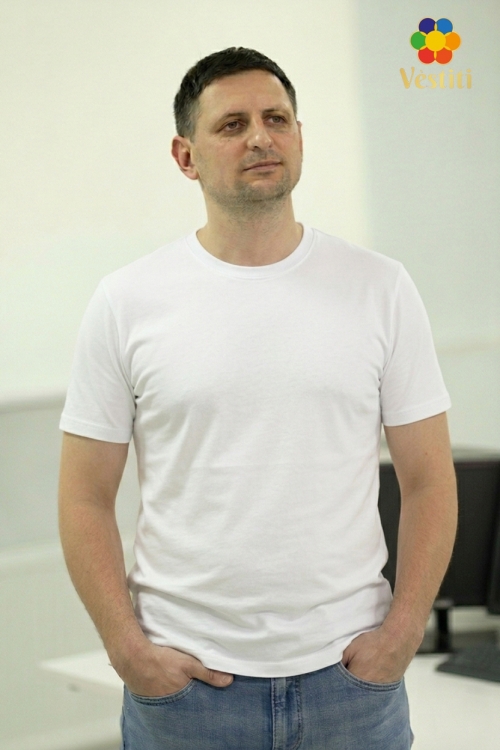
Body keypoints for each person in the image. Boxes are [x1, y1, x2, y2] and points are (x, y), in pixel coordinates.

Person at [58, 47, 458, 750]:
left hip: (351, 683)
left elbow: (429, 479)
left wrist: (401, 635)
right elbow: (84, 496)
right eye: (232, 124)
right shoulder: (126, 302)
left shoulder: (380, 288)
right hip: (186, 688)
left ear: (300, 136)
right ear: (185, 156)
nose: (260, 138)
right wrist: (128, 651)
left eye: (276, 119)